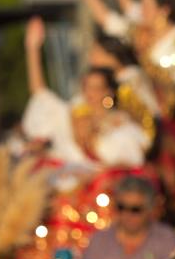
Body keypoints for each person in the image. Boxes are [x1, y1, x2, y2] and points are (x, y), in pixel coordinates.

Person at [21, 15, 149, 171]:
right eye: (87, 87)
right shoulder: (73, 111)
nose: (90, 93)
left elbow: (130, 160)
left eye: (96, 88)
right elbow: (41, 95)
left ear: (108, 91)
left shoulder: (122, 119)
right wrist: (32, 48)